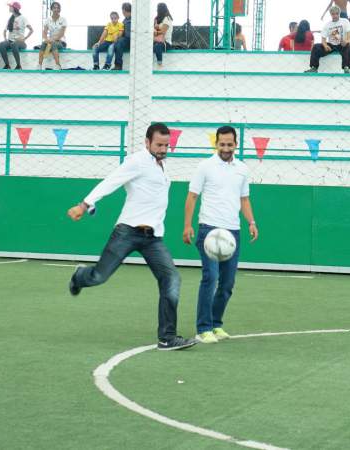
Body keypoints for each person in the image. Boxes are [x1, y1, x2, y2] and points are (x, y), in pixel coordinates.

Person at [66, 123, 197, 351]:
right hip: (127, 232)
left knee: (172, 279)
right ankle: (80, 276)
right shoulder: (137, 161)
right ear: (147, 142)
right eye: (159, 144)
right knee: (99, 277)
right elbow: (111, 181)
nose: (164, 149)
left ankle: (167, 337)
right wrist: (84, 205)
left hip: (153, 237)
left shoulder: (161, 166)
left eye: (167, 145)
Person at [183, 126, 258, 344]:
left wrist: (251, 222)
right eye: (222, 144)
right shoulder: (205, 166)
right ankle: (203, 328)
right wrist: (188, 225)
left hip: (232, 232)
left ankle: (216, 324)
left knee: (227, 283)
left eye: (230, 144)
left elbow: (244, 199)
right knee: (211, 277)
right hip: (208, 230)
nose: (226, 148)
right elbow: (192, 196)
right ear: (216, 143)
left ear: (236, 144)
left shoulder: (242, 169)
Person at [305, 6, 350, 74]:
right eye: (333, 14)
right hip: (331, 45)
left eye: (337, 14)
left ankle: (346, 67)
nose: (335, 15)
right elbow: (323, 39)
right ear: (331, 14)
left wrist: (346, 41)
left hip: (342, 44)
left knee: (347, 45)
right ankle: (314, 68)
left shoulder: (345, 21)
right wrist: (325, 45)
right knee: (316, 46)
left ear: (339, 13)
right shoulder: (327, 24)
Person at [0, 2, 33, 70]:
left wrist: (24, 38)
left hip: (20, 42)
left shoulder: (23, 18)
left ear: (15, 8)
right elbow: (5, 31)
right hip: (10, 41)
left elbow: (31, 30)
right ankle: (7, 65)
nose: (9, 8)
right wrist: (5, 39)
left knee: (14, 44)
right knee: (1, 45)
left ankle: (18, 66)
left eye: (10, 6)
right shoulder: (10, 19)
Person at [39, 2, 67, 70]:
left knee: (52, 43)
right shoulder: (48, 20)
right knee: (43, 44)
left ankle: (58, 65)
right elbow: (44, 32)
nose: (56, 9)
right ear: (51, 9)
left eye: (57, 8)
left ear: (59, 9)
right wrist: (46, 39)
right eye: (54, 7)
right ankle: (39, 65)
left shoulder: (63, 19)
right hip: (50, 41)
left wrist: (52, 40)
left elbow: (61, 34)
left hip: (61, 42)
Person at [113, 2, 131, 71]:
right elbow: (122, 31)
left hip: (133, 40)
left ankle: (118, 65)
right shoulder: (124, 20)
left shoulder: (135, 19)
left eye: (123, 11)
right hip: (126, 39)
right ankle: (118, 65)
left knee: (120, 42)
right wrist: (117, 36)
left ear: (126, 10)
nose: (123, 13)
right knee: (118, 42)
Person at [153, 3, 173, 67]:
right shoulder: (157, 19)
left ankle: (159, 63)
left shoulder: (167, 19)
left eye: (157, 9)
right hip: (156, 40)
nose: (157, 10)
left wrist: (156, 32)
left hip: (165, 42)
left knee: (157, 46)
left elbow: (163, 32)